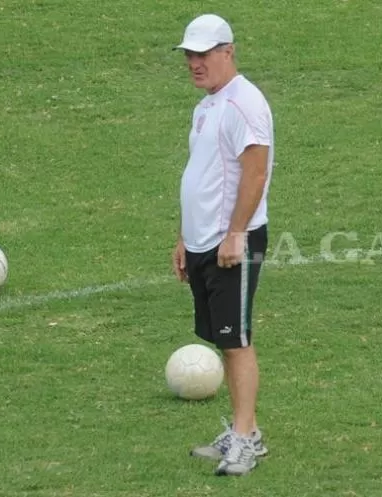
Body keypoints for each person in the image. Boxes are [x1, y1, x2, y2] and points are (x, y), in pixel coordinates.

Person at [170, 13, 275, 477]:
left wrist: (235, 233)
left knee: (237, 342)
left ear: (228, 51)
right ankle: (240, 430)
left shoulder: (244, 104)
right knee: (224, 341)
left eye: (204, 54)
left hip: (233, 242)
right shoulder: (207, 105)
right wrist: (183, 237)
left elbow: (255, 172)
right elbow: (202, 176)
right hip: (203, 241)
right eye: (190, 55)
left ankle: (247, 438)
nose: (195, 63)